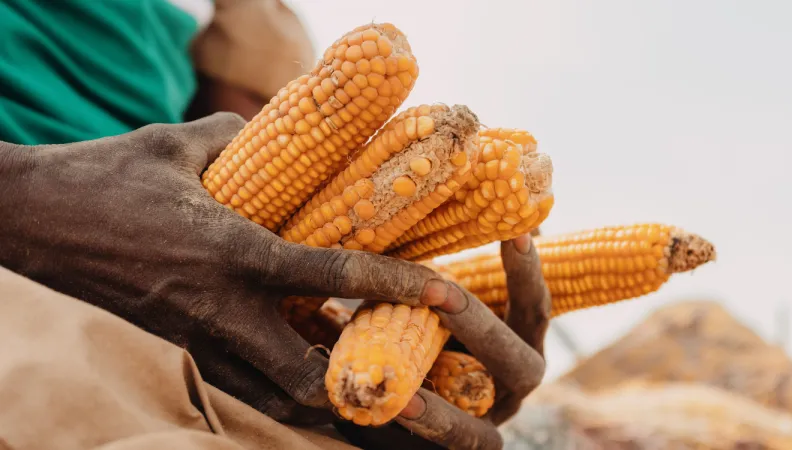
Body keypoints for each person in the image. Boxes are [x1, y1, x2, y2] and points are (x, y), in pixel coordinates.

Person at [0, 1, 551, 449]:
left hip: (179, 308)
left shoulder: (246, 24)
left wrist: (393, 379)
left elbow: (247, 152)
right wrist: (22, 198)